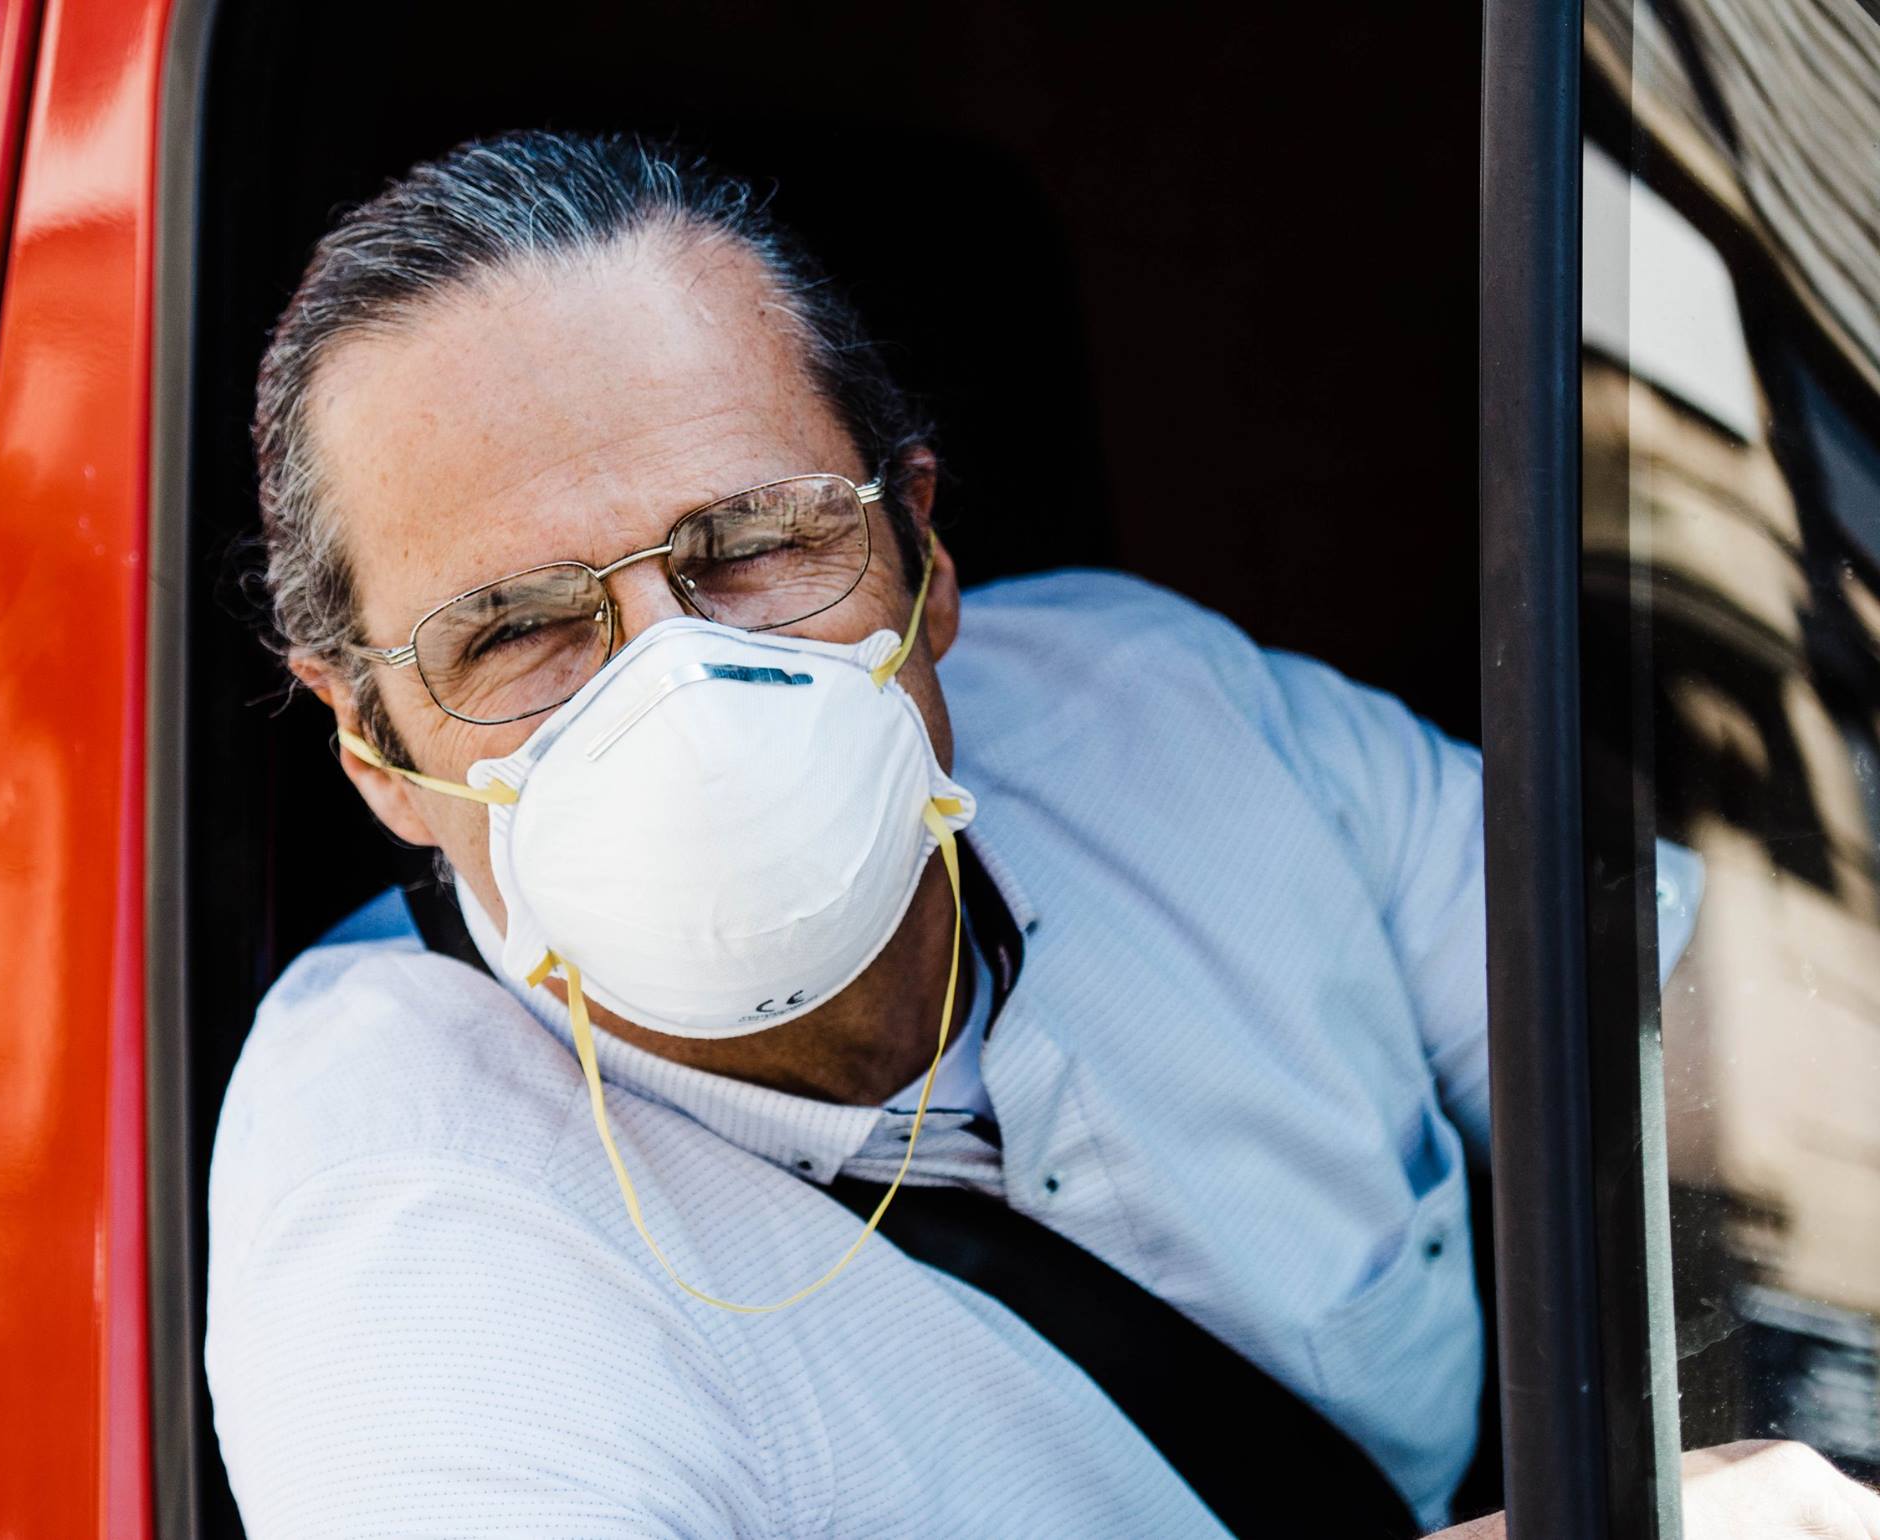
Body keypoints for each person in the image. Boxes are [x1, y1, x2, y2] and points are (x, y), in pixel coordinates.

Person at [204, 130, 1880, 1538]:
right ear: (376, 750)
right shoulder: (401, 1223)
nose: (676, 685)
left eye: (752, 543)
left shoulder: (1166, 716)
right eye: (516, 632)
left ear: (926, 564)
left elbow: (1751, 1068)